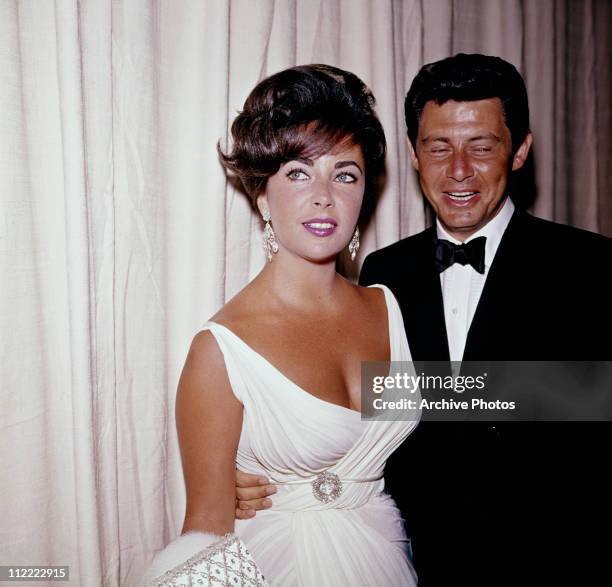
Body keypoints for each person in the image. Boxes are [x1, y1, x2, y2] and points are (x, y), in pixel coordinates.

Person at [238, 54, 612, 586]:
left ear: (521, 150)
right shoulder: (383, 271)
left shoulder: (591, 266)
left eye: (482, 146)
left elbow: (591, 396)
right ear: (413, 155)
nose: (458, 169)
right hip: (415, 562)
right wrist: (268, 476)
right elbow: (360, 407)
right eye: (438, 147)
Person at [142, 64, 420, 586]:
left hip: (388, 558)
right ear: (262, 195)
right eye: (297, 172)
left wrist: (582, 390)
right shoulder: (223, 350)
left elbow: (473, 400)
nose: (324, 195)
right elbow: (205, 531)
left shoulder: (386, 305)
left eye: (345, 174)